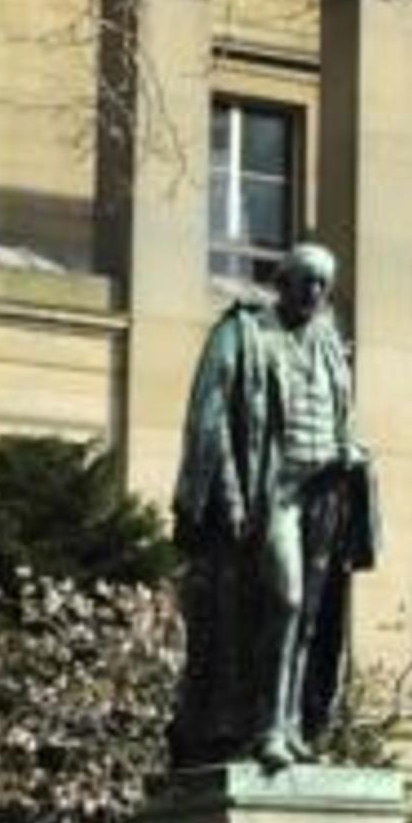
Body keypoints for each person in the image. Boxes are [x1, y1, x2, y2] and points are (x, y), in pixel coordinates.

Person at [168, 243, 377, 769]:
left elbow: (341, 416)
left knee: (309, 616)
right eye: (305, 281)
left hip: (326, 491)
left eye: (322, 285)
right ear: (281, 282)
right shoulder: (242, 333)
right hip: (274, 492)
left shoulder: (329, 342)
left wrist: (353, 453)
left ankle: (289, 724)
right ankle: (261, 726)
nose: (314, 293)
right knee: (282, 600)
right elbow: (209, 418)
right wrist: (226, 494)